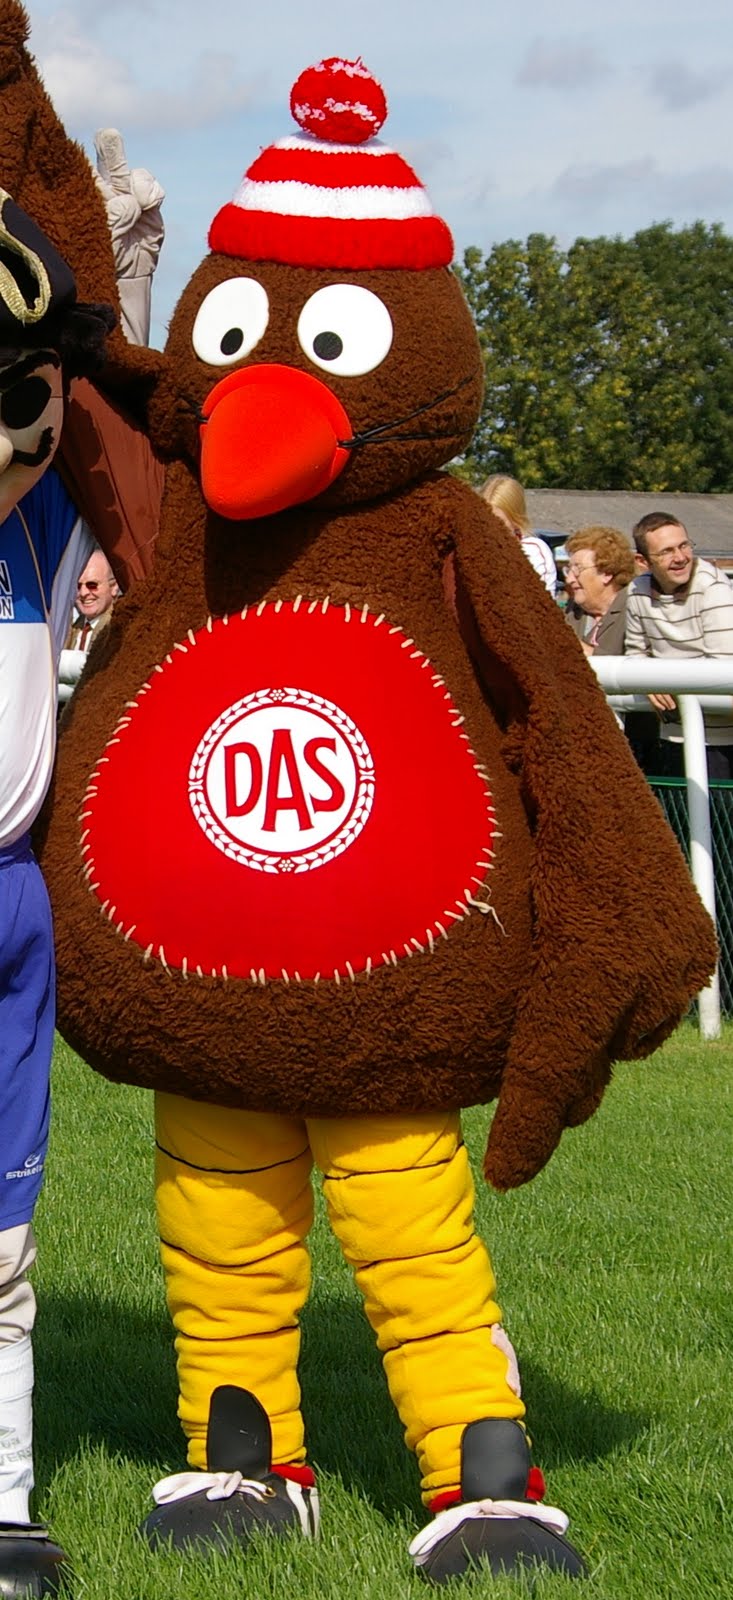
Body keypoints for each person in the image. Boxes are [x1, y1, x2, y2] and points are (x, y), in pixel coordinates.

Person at [0, 194, 116, 1597]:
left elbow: (134, 414)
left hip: (7, 904)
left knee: (0, 1240)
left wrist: (117, 252)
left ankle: (3, 1491)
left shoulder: (40, 531)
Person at [626, 512, 733, 779]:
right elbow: (635, 655)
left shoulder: (714, 588)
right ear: (643, 561)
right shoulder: (636, 591)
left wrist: (663, 680)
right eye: (667, 551)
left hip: (722, 742)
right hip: (671, 735)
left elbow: (723, 672)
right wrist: (648, 679)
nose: (681, 557)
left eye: (684, 545)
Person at [58, 549, 120, 703]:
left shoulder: (120, 630)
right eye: (78, 586)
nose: (84, 593)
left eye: (92, 585)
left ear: (114, 587)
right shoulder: (64, 627)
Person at [564, 525, 636, 656]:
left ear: (606, 573)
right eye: (569, 570)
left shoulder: (634, 612)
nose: (569, 579)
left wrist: (575, 647)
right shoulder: (572, 610)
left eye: (578, 569)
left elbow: (639, 664)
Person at [480, 474, 557, 595]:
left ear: (515, 520)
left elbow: (542, 602)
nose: (492, 529)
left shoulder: (533, 552)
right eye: (484, 521)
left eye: (500, 522)